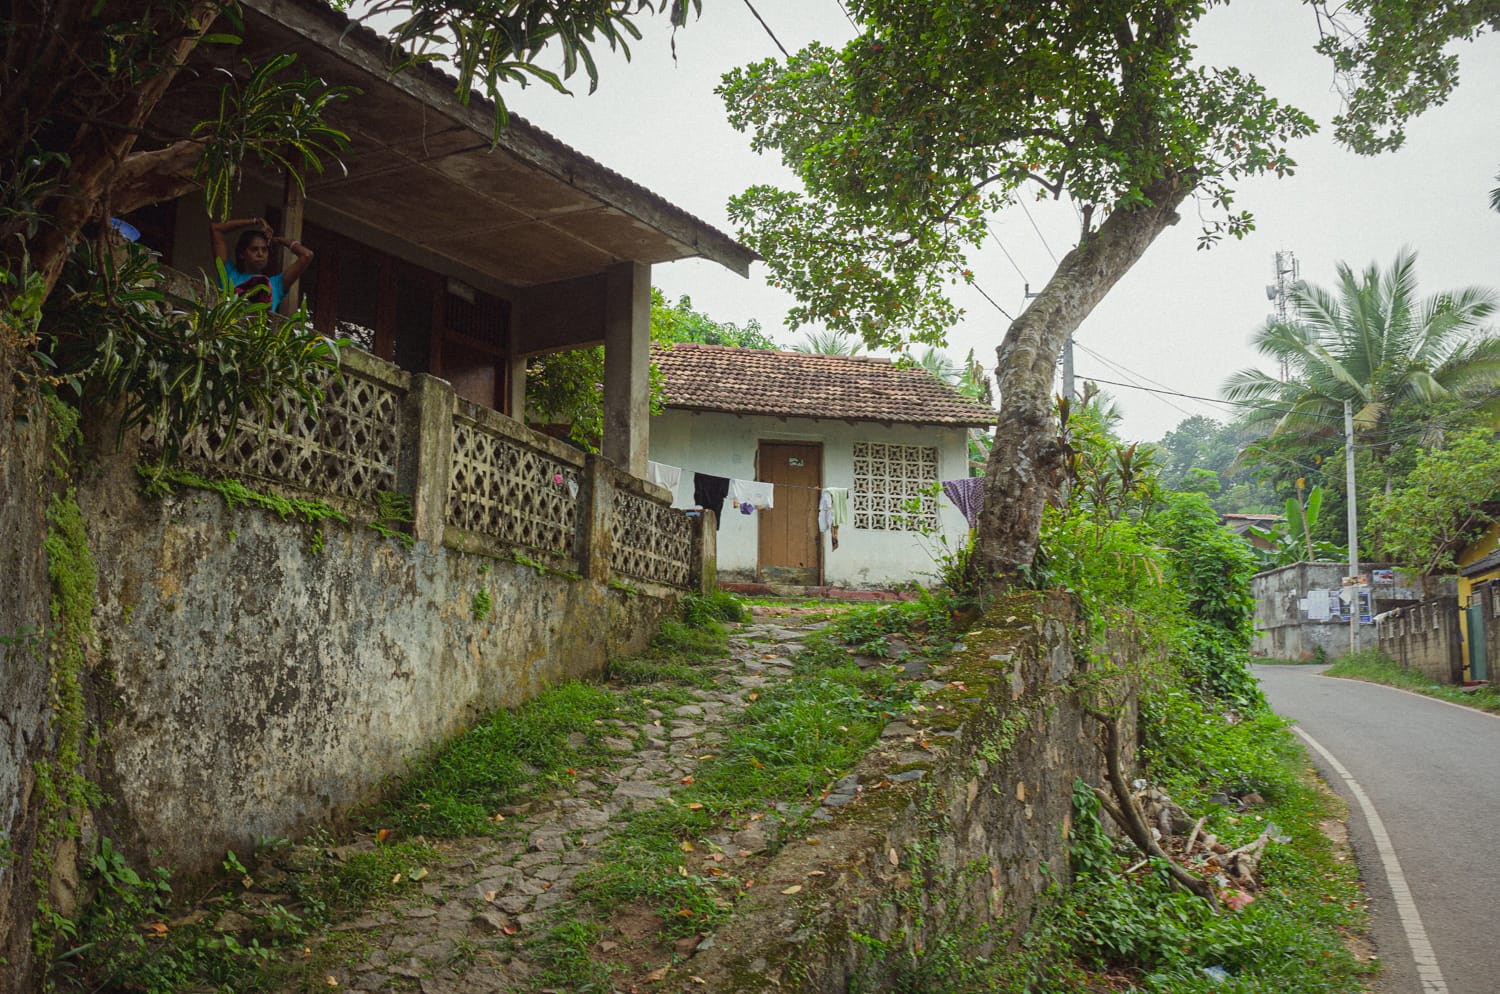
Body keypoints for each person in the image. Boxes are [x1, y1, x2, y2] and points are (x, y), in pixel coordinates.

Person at [209, 215, 314, 311]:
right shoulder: (228, 275)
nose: (260, 254)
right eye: (254, 249)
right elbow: (216, 229)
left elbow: (307, 255)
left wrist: (280, 240)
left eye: (264, 250)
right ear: (242, 254)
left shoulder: (275, 285)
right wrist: (255, 221)